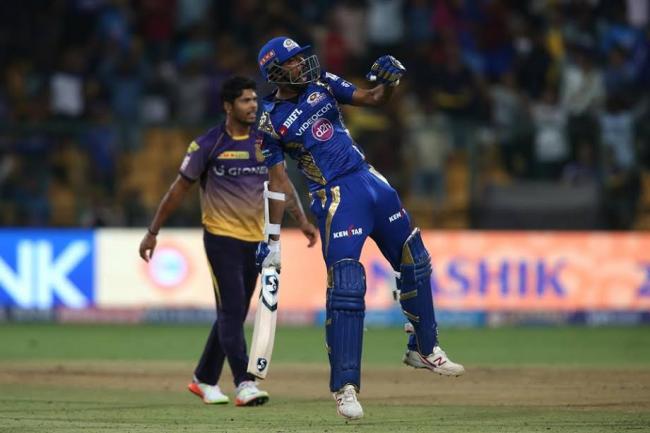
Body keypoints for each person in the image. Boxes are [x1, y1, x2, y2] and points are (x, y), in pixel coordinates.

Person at [254, 37, 465, 420]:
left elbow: (372, 98)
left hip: (370, 181)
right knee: (347, 286)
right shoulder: (269, 119)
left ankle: (424, 348)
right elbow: (278, 180)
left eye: (301, 57)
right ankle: (345, 388)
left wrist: (390, 82)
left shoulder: (321, 82)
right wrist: (273, 236)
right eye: (293, 61)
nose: (302, 64)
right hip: (336, 198)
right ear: (275, 72)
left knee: (415, 260)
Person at [138, 75, 318, 407]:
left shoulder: (264, 142)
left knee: (231, 313)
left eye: (255, 100)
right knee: (233, 310)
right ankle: (244, 382)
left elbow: (281, 184)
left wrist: (302, 220)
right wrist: (153, 232)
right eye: (246, 100)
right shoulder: (208, 144)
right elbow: (178, 190)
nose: (253, 106)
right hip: (221, 239)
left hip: (256, 242)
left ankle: (204, 379)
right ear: (228, 106)